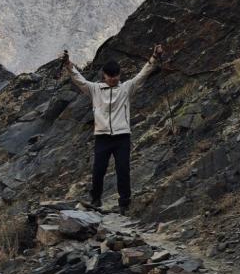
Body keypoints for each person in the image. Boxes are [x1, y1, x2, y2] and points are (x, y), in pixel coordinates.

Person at [60, 44, 163, 214]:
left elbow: (143, 74)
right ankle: (96, 199)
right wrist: (68, 65)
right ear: (104, 75)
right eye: (110, 77)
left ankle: (124, 203)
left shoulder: (126, 88)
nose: (113, 79)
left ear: (119, 75)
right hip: (102, 137)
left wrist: (155, 57)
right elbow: (79, 80)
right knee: (98, 170)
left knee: (123, 170)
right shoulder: (94, 89)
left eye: (115, 76)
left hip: (122, 136)